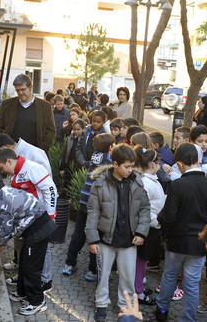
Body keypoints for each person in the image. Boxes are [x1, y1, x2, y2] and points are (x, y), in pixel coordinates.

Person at [156, 143, 207, 322]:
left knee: (169, 276)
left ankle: (162, 310)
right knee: (192, 283)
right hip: (200, 244)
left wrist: (164, 231)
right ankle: (188, 318)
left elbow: (169, 216)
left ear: (179, 164)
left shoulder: (178, 185)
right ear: (198, 159)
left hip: (176, 241)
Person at [86, 144, 151, 322]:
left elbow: (145, 209)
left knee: (128, 277)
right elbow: (92, 213)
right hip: (106, 239)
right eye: (127, 166)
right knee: (103, 275)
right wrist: (92, 239)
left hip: (129, 240)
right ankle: (101, 304)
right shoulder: (100, 184)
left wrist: (141, 232)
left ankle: (126, 306)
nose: (131, 170)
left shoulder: (137, 181)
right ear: (115, 164)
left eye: (132, 166)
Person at [0, 170, 56, 316]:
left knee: (31, 267)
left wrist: (0, 244)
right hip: (37, 224)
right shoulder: (6, 191)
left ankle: (37, 302)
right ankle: (22, 293)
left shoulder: (0, 202)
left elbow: (3, 227)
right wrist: (1, 242)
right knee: (25, 262)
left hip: (38, 229)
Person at [0, 148, 57, 291]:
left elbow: (50, 190)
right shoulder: (15, 172)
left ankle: (45, 280)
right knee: (23, 248)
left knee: (42, 249)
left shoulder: (32, 168)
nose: (2, 172)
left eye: (1, 168)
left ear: (9, 161)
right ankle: (23, 276)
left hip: (39, 218)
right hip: (25, 220)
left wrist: (51, 215)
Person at [63, 133, 115, 281]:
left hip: (84, 201)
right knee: (95, 236)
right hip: (96, 204)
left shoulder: (95, 156)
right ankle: (93, 270)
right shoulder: (109, 161)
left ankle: (69, 263)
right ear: (111, 147)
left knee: (79, 234)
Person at [133, 146, 165, 305]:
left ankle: (138, 286)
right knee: (141, 260)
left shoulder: (151, 180)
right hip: (148, 228)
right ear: (153, 165)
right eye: (159, 163)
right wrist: (158, 221)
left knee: (143, 260)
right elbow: (142, 209)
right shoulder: (146, 182)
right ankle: (137, 292)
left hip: (152, 226)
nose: (160, 165)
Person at [0, 74, 55, 154]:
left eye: (23, 89)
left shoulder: (45, 106)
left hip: (36, 154)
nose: (20, 93)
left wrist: (41, 149)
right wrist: (5, 147)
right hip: (12, 154)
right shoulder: (7, 105)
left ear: (30, 87)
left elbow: (51, 130)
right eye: (17, 90)